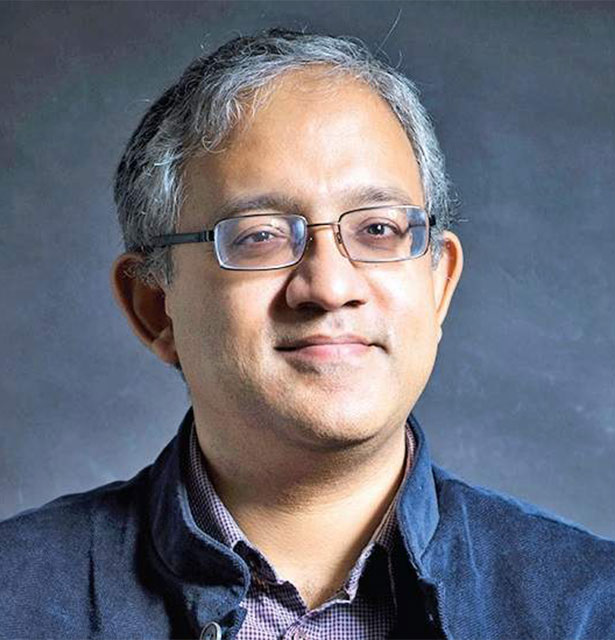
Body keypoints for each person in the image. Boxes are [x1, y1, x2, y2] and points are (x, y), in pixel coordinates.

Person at [1, 27, 613, 640]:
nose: (329, 286)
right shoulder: (17, 599)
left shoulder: (590, 611)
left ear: (438, 286)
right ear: (156, 307)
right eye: (260, 235)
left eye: (377, 229)